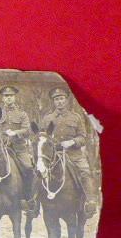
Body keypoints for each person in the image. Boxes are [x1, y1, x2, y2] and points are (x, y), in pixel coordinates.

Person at [41, 87, 97, 218]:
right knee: (39, 171)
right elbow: (42, 136)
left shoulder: (75, 117)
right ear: (53, 102)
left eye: (61, 99)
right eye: (56, 99)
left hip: (73, 155)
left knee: (85, 171)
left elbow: (83, 137)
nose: (59, 102)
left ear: (66, 100)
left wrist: (72, 142)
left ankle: (90, 202)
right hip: (54, 155)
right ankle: (34, 202)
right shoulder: (47, 118)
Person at [0, 85, 35, 211]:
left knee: (28, 167)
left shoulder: (22, 114)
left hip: (18, 148)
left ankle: (28, 198)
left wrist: (15, 133)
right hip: (1, 148)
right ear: (3, 98)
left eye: (10, 96)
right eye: (6, 96)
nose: (8, 98)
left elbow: (27, 130)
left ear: (14, 97)